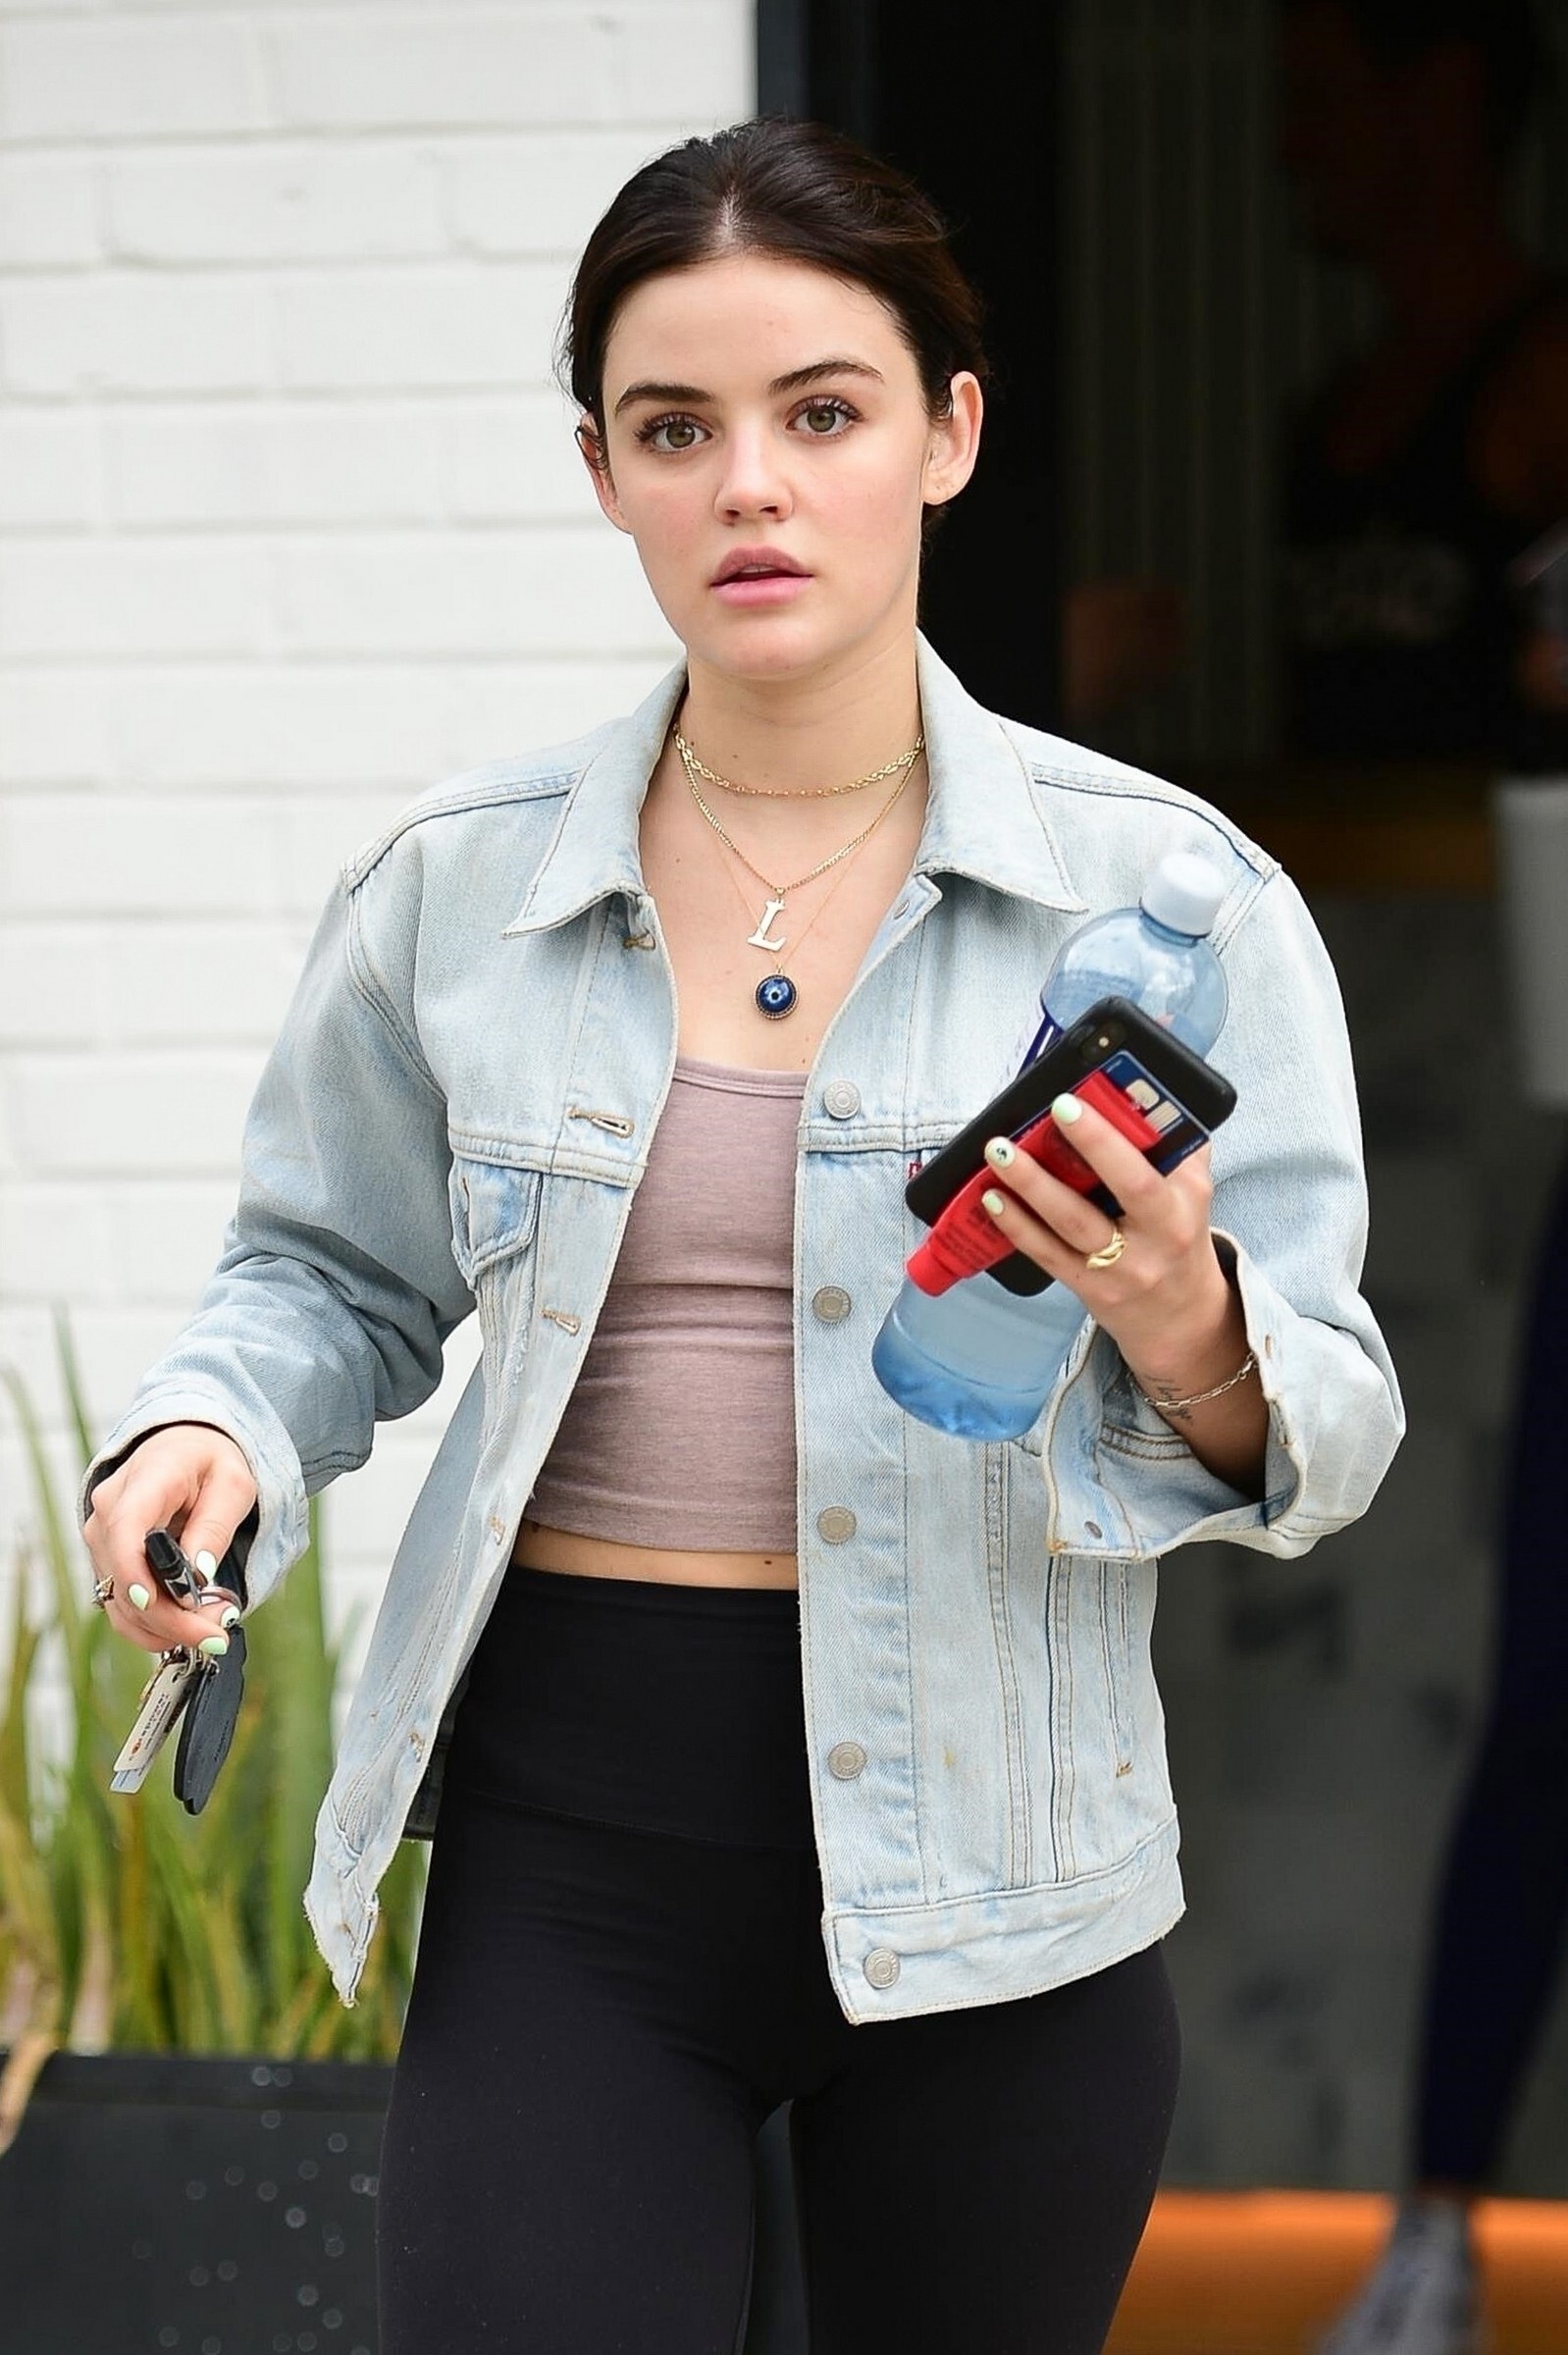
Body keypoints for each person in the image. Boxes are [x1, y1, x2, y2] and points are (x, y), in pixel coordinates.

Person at [79, 119, 1401, 2355]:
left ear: (946, 435)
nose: (749, 488)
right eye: (676, 428)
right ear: (602, 470)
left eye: (822, 413)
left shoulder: (1166, 901)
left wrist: (1182, 1314)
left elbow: (1333, 1424)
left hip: (1003, 1880)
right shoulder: (457, 886)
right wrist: (213, 1425)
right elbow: (325, 1276)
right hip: (571, 1862)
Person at [1274, 9, 1568, 2352]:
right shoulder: (1334, 413)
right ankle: (1435, 2226)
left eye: (1338, 75)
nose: (1300, 129)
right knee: (1536, 1677)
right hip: (1478, 1095)